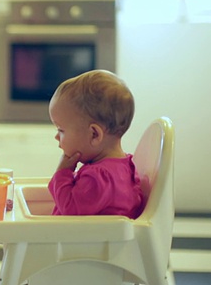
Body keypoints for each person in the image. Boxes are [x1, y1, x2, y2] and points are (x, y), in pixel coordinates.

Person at [47, 69, 143, 219]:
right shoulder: (124, 168)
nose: (56, 137)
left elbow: (70, 211)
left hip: (79, 243)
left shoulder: (99, 178)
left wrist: (62, 173)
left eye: (61, 130)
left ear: (94, 134)